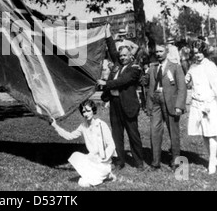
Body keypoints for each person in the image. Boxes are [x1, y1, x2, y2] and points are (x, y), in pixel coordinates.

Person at [97, 24, 145, 171]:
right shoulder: (117, 64)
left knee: (133, 135)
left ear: (131, 56)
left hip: (128, 105)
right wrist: (108, 35)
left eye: (125, 55)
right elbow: (112, 49)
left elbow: (122, 81)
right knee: (116, 134)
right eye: (121, 55)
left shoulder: (135, 68)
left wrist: (106, 83)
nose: (123, 57)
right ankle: (120, 161)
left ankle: (139, 162)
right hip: (115, 104)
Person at [51, 100, 117, 187]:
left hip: (103, 161)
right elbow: (69, 136)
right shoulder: (83, 126)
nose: (86, 114)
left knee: (84, 183)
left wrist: (103, 158)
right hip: (92, 159)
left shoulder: (101, 124)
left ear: (93, 111)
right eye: (84, 112)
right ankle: (102, 175)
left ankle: (107, 173)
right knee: (75, 156)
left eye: (88, 111)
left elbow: (111, 145)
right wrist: (55, 126)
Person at [185, 40, 217, 175]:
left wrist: (213, 101)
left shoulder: (210, 66)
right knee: (203, 133)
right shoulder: (192, 66)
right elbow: (188, 81)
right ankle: (212, 158)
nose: (198, 55)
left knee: (211, 133)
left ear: (204, 52)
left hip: (208, 102)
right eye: (195, 53)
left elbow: (215, 85)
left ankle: (212, 162)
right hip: (197, 103)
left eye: (200, 53)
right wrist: (184, 78)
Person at [146, 43, 187, 171]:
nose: (158, 54)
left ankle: (176, 161)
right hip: (156, 101)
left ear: (167, 52)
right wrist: (149, 105)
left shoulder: (175, 67)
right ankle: (155, 162)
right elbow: (149, 88)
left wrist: (179, 105)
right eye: (157, 52)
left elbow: (182, 88)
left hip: (170, 102)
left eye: (161, 51)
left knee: (173, 133)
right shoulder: (153, 68)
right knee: (154, 131)